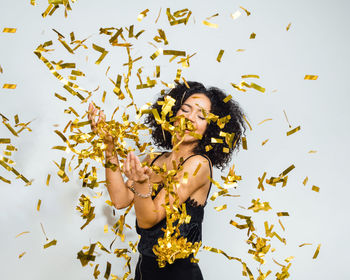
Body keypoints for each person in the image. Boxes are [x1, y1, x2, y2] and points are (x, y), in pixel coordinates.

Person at [88, 81, 246, 280]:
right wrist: (109, 147)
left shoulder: (198, 165)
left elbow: (149, 219)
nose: (189, 118)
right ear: (171, 113)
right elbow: (120, 200)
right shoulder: (154, 159)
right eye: (185, 110)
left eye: (200, 116)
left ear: (210, 128)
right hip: (144, 270)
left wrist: (141, 183)